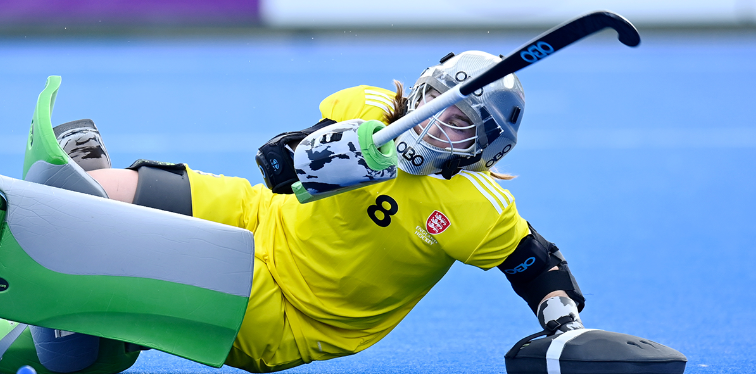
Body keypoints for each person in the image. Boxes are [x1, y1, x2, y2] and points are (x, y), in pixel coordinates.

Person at [4, 50, 586, 373]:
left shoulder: (476, 208)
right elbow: (276, 165)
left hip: (289, 312)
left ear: (485, 148)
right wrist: (324, 152)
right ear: (420, 88)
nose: (435, 121)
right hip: (258, 219)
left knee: (102, 287)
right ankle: (78, 290)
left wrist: (565, 328)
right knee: (100, 191)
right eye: (435, 100)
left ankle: (60, 335)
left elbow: (537, 266)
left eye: (459, 122)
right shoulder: (371, 109)